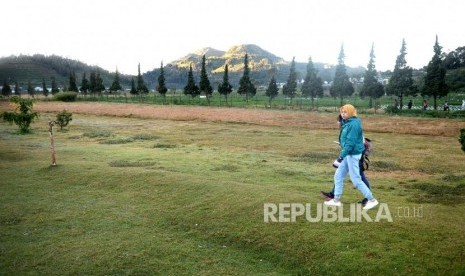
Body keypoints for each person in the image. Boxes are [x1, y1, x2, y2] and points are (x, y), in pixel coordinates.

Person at [324, 104, 378, 210]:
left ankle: (372, 200)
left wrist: (340, 158)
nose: (343, 114)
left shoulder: (354, 124)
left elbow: (350, 143)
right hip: (349, 154)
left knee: (356, 179)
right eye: (342, 112)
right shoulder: (348, 122)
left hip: (352, 155)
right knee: (338, 176)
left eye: (345, 112)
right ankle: (336, 200)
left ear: (351, 113)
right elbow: (347, 141)